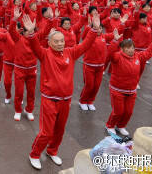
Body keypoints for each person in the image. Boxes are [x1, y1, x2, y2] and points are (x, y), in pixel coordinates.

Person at [22, 13, 101, 170]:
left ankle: (52, 151)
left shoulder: (70, 53)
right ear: (49, 42)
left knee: (59, 130)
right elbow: (34, 46)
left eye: (62, 41)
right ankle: (35, 154)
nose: (59, 44)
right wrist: (31, 34)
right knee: (46, 131)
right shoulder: (44, 54)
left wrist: (94, 29)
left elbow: (85, 45)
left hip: (66, 99)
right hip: (49, 99)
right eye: (56, 41)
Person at [105, 29, 152, 136]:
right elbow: (110, 54)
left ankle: (121, 126)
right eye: (128, 48)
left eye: (132, 47)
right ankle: (110, 125)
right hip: (117, 90)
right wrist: (115, 41)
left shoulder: (138, 56)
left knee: (128, 112)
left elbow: (148, 53)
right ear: (122, 49)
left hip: (131, 91)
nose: (131, 50)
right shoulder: (117, 57)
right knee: (118, 111)